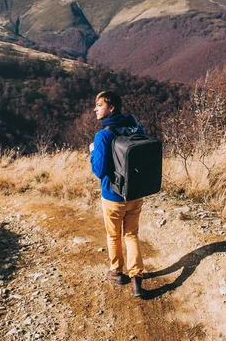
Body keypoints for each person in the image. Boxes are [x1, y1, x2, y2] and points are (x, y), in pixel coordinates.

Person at [89, 90, 146, 297]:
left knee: (114, 236)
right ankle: (137, 279)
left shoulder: (103, 135)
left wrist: (92, 151)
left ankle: (116, 272)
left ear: (111, 107)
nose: (95, 109)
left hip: (113, 196)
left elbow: (99, 170)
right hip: (136, 192)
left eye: (99, 105)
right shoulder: (134, 125)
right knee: (131, 235)